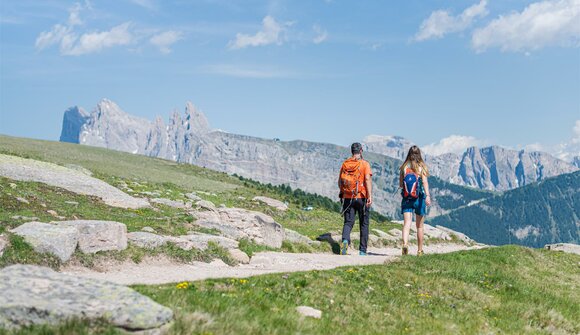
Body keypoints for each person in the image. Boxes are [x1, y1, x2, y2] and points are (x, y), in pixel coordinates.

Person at [338, 142, 373, 255]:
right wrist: (369, 195)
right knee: (364, 223)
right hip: (361, 197)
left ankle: (345, 240)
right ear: (361, 151)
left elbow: (340, 182)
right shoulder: (364, 164)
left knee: (348, 222)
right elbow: (367, 180)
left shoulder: (345, 164)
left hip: (348, 198)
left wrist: (344, 192)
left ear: (352, 151)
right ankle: (362, 251)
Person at [399, 145, 431, 256]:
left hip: (407, 198)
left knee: (407, 223)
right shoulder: (422, 167)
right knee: (419, 226)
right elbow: (425, 182)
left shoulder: (404, 167)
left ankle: (405, 244)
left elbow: (400, 184)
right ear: (419, 154)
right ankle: (419, 250)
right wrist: (427, 195)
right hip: (419, 198)